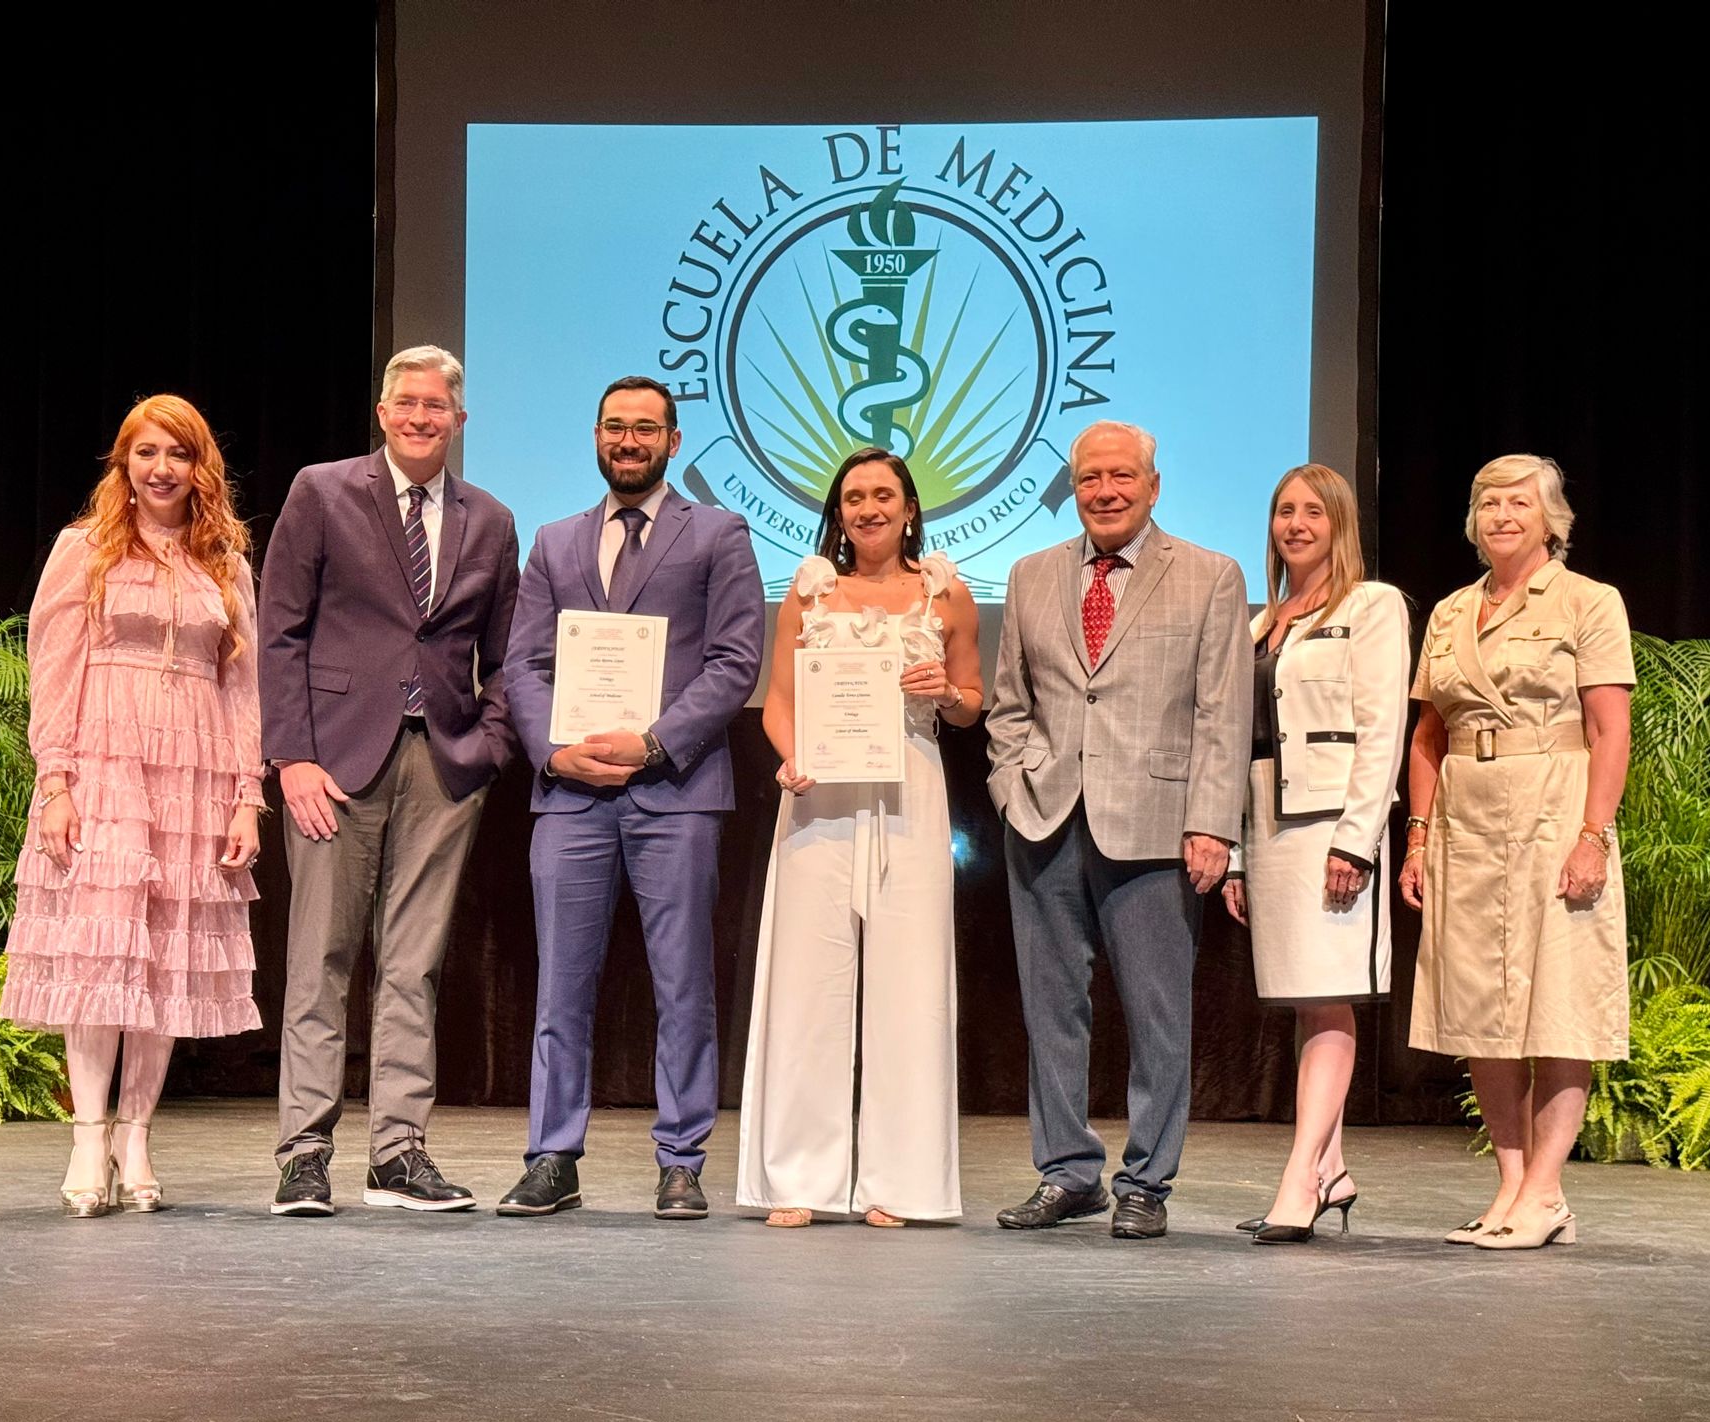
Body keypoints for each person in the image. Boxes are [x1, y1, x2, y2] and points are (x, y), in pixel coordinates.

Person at [257, 345, 520, 1217]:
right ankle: (304, 1154)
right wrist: (291, 757)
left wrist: (485, 745)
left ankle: (398, 1153)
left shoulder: (491, 519)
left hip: (443, 765)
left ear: (459, 419)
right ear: (382, 411)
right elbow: (280, 632)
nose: (419, 417)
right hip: (333, 761)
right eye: (405, 402)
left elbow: (511, 657)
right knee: (322, 959)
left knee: (414, 966)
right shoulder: (322, 491)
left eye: (436, 405)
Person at [497, 375, 763, 1221]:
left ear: (673, 442)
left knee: (683, 983)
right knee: (559, 985)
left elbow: (734, 662)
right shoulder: (555, 541)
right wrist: (554, 750)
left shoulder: (718, 532)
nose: (629, 441)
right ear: (597, 436)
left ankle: (681, 1159)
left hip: (676, 790)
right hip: (570, 794)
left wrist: (651, 744)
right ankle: (551, 1156)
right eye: (615, 427)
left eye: (646, 428)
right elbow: (523, 667)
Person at [986, 420, 1251, 1240]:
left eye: (1121, 477)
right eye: (1092, 478)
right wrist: (1010, 780)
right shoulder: (1031, 574)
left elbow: (1223, 713)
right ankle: (1068, 1173)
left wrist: (1213, 823)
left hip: (1157, 825)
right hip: (1043, 817)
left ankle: (1147, 1181)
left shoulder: (1210, 575)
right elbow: (1009, 702)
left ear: (1153, 485)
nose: (1105, 491)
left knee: (1158, 1012)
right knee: (1050, 1008)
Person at [1, 394, 264, 1217]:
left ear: (199, 468)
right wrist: (56, 783)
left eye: (177, 455)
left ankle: (137, 1135)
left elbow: (244, 690)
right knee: (100, 960)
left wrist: (246, 797)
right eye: (146, 453)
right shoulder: (84, 552)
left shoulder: (223, 561)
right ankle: (88, 1137)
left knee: (164, 958)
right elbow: (53, 673)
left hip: (194, 773)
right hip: (107, 765)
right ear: (124, 464)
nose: (161, 469)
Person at [736, 450, 982, 1229]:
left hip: (911, 790)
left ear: (909, 506)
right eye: (853, 498)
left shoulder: (947, 594)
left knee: (911, 985)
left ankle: (898, 1183)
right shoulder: (809, 594)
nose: (868, 508)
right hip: (820, 793)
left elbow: (973, 701)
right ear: (838, 513)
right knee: (808, 985)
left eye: (883, 494)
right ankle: (798, 1180)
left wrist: (948, 691)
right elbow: (778, 702)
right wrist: (793, 755)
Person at [1398, 453, 1633, 1250]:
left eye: (1519, 503)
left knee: (1559, 1004)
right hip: (1469, 811)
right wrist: (1420, 834)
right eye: (1488, 503)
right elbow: (1427, 733)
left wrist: (1593, 836)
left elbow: (1610, 729)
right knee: (1480, 1011)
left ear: (1550, 518)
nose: (1502, 515)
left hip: (1555, 802)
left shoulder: (1588, 603)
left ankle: (1546, 1190)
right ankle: (1511, 1187)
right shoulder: (1451, 612)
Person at [1221, 464, 1409, 1243]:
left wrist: (1357, 841)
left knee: (1329, 992)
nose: (1295, 524)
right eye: (1283, 512)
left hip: (1332, 822)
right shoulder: (1263, 619)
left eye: (1312, 512)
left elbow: (1382, 729)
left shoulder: (1372, 606)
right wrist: (1233, 854)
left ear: (1339, 522)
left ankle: (1300, 1180)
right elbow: (1238, 743)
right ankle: (1331, 1169)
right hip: (1268, 824)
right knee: (1304, 996)